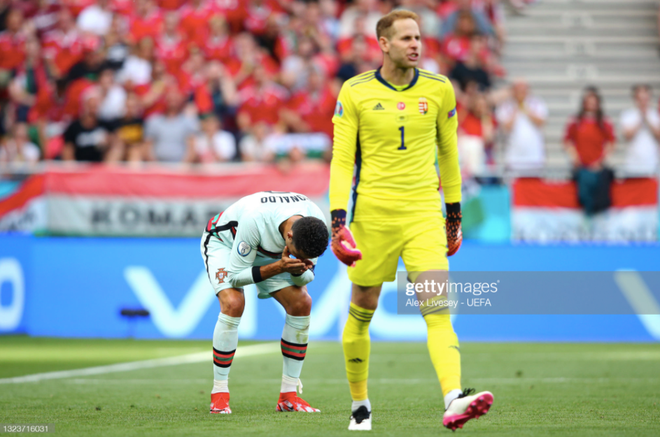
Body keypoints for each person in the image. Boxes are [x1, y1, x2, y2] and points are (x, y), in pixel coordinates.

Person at [329, 9, 493, 432]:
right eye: (405, 38)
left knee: (438, 310)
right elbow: (342, 159)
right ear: (383, 44)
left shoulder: (439, 89)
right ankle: (360, 404)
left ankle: (454, 398)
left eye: (418, 37)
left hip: (424, 215)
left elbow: (450, 155)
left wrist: (452, 215)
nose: (415, 45)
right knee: (362, 308)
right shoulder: (355, 91)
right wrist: (337, 220)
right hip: (372, 217)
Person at [201, 191, 329, 414]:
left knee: (301, 303)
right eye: (298, 256)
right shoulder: (256, 218)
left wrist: (298, 268)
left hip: (270, 254)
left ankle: (289, 397)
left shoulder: (314, 224)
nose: (300, 260)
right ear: (289, 237)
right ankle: (219, 393)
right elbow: (235, 275)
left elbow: (307, 276)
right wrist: (280, 266)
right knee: (233, 303)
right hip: (226, 243)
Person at [496, 79, 547, 173]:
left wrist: (526, 108)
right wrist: (516, 109)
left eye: (523, 90)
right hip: (514, 157)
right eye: (518, 90)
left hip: (534, 156)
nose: (521, 93)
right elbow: (506, 127)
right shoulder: (505, 106)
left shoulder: (537, 103)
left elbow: (541, 122)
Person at [620, 84, 660, 175]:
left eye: (645, 99)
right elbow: (628, 136)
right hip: (632, 164)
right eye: (640, 99)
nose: (643, 102)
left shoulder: (655, 115)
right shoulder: (628, 115)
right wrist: (640, 118)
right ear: (635, 99)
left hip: (653, 164)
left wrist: (647, 119)